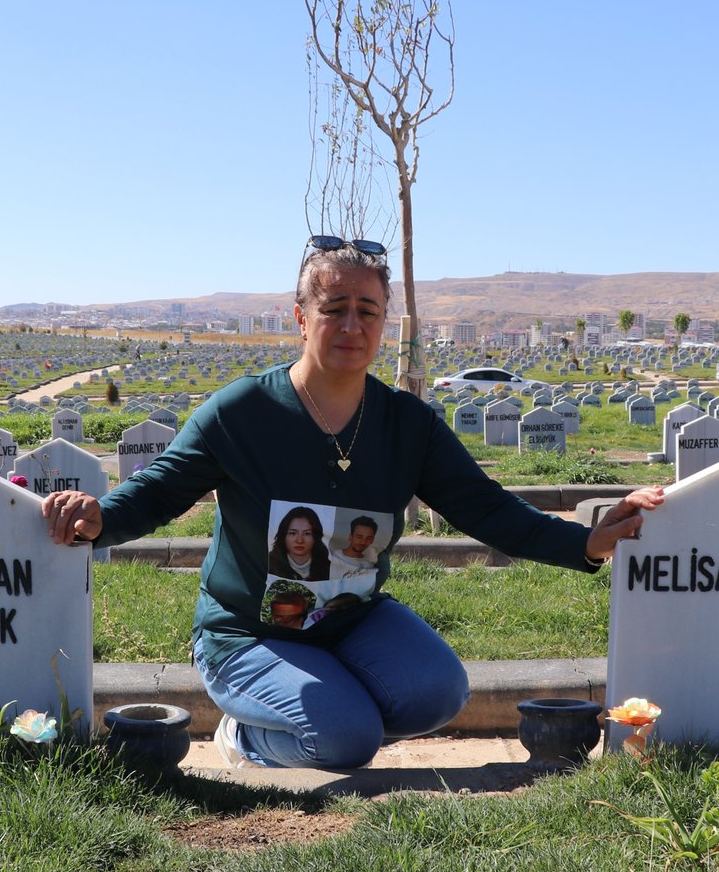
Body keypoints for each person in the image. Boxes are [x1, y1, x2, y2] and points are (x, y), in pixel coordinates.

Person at [43, 237, 662, 770]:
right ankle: (252, 734)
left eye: (368, 310)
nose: (351, 325)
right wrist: (101, 518)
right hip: (247, 634)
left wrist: (586, 541)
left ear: (385, 320)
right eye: (333, 308)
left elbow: (484, 507)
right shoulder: (243, 413)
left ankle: (321, 709)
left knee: (438, 693)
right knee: (344, 738)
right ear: (300, 318)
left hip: (349, 622)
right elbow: (160, 489)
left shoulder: (406, 424)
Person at [267, 505, 332, 581]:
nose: (299, 540)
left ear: (316, 537)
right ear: (283, 535)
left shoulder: (328, 568)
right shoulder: (269, 564)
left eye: (307, 533)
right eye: (293, 533)